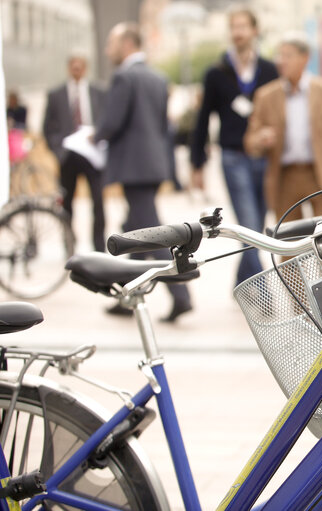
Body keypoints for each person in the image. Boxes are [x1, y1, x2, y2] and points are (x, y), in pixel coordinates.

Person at [95, 22, 192, 322]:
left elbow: (113, 123)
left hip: (133, 165)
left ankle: (181, 293)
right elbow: (163, 125)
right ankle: (127, 294)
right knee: (135, 232)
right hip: (153, 163)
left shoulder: (124, 76)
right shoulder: (158, 77)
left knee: (151, 232)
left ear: (126, 44)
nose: (107, 50)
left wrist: (92, 136)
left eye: (111, 43)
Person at [190, 5, 278, 285]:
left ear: (255, 31)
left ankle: (241, 282)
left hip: (263, 158)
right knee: (250, 225)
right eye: (234, 27)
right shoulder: (216, 73)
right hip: (232, 157)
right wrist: (197, 163)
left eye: (243, 26)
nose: (238, 32)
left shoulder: (269, 69)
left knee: (253, 227)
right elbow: (202, 119)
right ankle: (260, 292)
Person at [243, 32, 322, 223]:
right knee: (287, 243)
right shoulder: (266, 96)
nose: (281, 61)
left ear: (305, 58)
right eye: (279, 55)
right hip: (285, 178)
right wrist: (261, 139)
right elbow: (250, 142)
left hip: (320, 176)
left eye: (288, 55)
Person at [43, 55, 107, 252]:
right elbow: (47, 128)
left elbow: (106, 120)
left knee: (98, 202)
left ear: (85, 68)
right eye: (74, 67)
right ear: (69, 68)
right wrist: (58, 149)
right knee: (67, 204)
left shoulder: (99, 92)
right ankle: (69, 245)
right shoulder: (56, 95)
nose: (77, 70)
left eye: (80, 67)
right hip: (67, 156)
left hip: (92, 156)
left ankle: (98, 247)